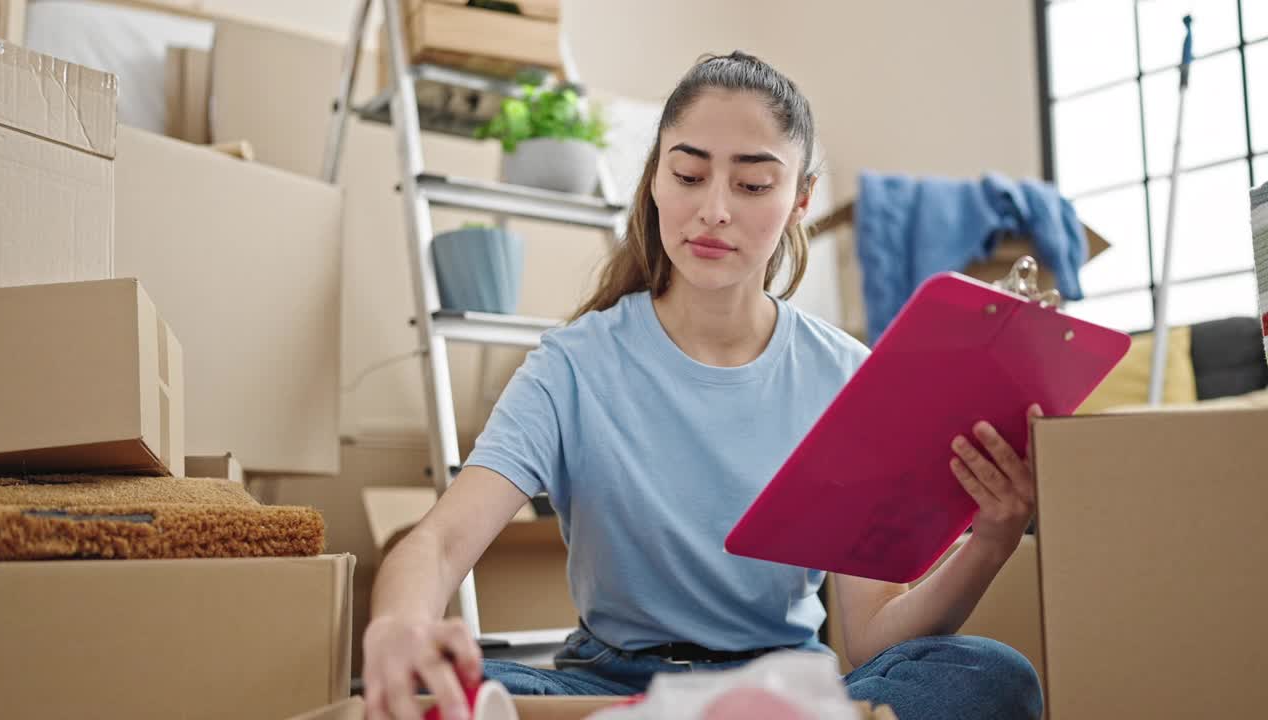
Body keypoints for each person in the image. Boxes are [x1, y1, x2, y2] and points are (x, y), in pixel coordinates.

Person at [362, 51, 1044, 720]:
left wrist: (991, 541)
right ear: (656, 179)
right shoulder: (570, 365)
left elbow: (869, 636)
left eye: (751, 186)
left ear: (800, 199)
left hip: (784, 690)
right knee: (433, 695)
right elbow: (440, 542)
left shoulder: (844, 375)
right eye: (688, 174)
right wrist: (400, 624)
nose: (714, 209)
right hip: (614, 684)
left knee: (992, 677)